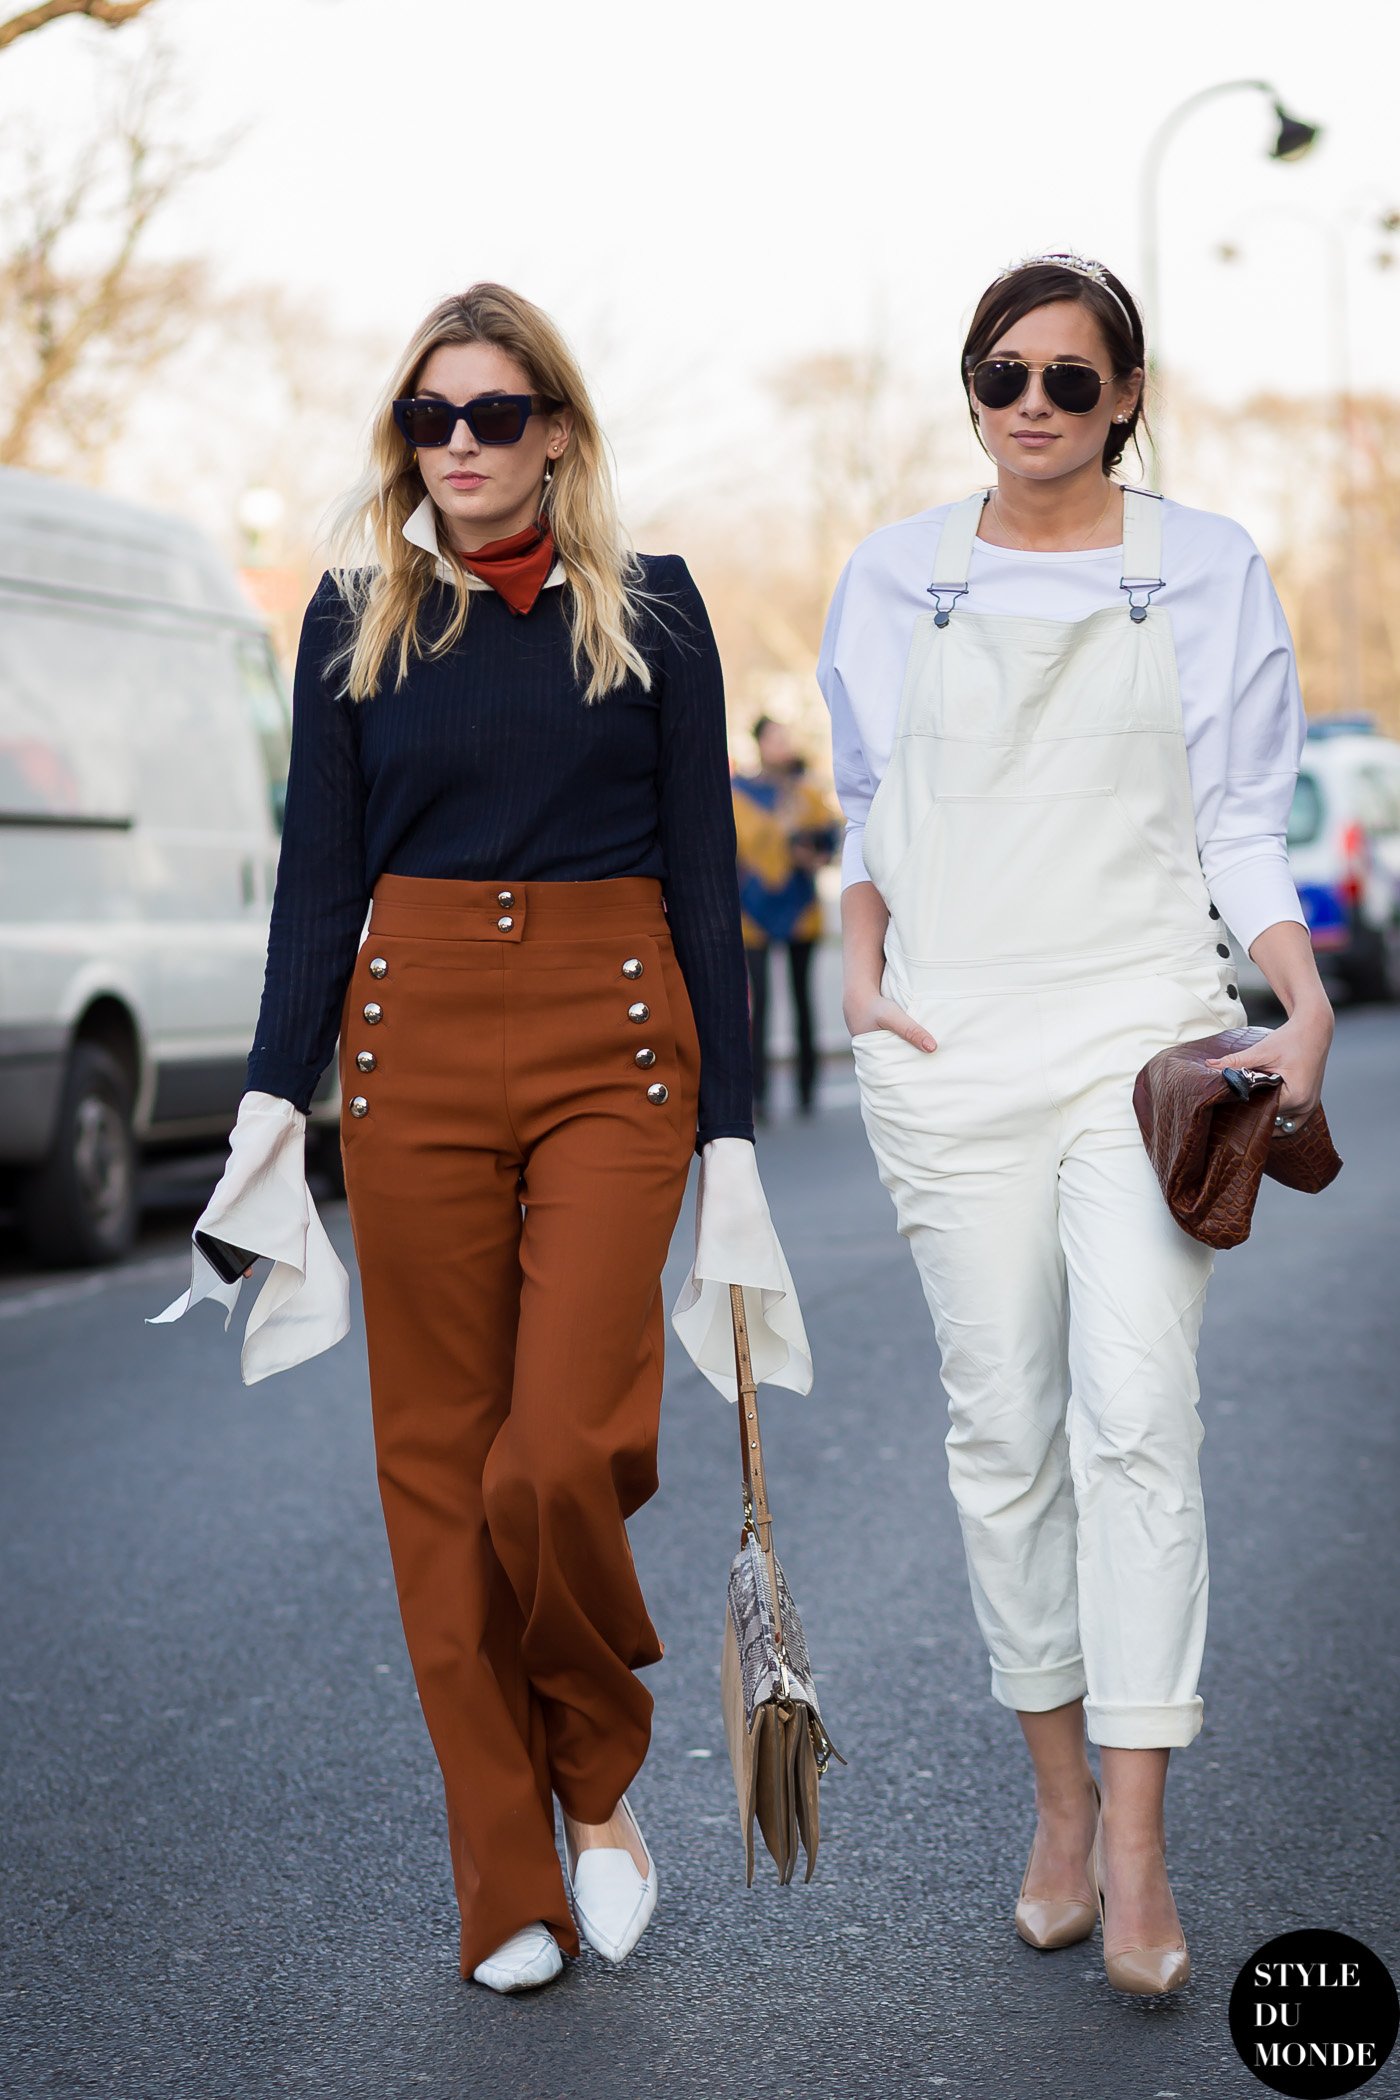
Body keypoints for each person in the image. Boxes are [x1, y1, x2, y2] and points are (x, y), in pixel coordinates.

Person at [151, 283, 810, 1994]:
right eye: (428, 420)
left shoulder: (651, 610)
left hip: (617, 1035)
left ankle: (599, 1778)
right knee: (439, 1482)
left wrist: (733, 1138)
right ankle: (504, 1881)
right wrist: (269, 1109)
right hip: (413, 1041)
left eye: (492, 415)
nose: (458, 446)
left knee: (557, 1453)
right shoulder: (354, 617)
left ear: (557, 432)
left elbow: (700, 883)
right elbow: (320, 882)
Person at [817, 253, 1332, 1997]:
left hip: (1139, 1038)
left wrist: (1301, 992)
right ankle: (1051, 1806)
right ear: (971, 388)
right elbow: (869, 815)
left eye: (1064, 377)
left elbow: (1244, 824)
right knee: (1007, 1438)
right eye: (998, 373)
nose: (1027, 403)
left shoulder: (1207, 568)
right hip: (953, 1049)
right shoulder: (895, 577)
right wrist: (863, 975)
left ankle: (1134, 1841)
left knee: (1137, 1417)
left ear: (1124, 395)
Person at [732, 718, 840, 1117]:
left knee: (802, 998)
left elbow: (830, 839)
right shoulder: (737, 795)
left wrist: (814, 852)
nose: (783, 745)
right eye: (774, 738)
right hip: (752, 912)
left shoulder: (806, 792)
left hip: (800, 909)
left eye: (786, 738)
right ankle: (756, 1092)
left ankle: (807, 1088)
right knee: (757, 1003)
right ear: (759, 743)